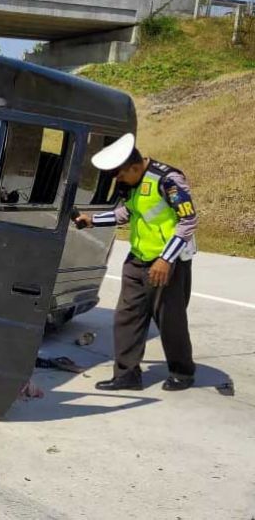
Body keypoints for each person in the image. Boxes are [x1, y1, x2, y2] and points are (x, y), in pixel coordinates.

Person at [74, 133, 197, 391]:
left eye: (120, 175)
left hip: (167, 262)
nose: (118, 180)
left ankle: (182, 372)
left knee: (169, 319)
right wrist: (93, 220)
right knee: (126, 317)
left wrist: (166, 259)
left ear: (135, 166)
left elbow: (188, 221)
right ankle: (127, 374)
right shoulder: (133, 183)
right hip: (137, 259)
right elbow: (128, 212)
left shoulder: (168, 180)